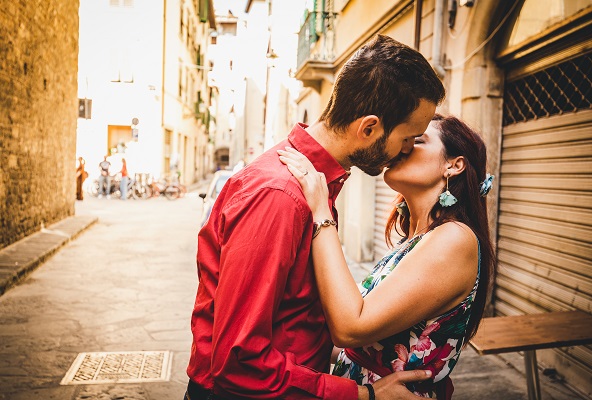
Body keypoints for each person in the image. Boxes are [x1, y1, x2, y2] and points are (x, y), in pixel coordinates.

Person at [185, 34, 445, 400]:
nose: (407, 151)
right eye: (408, 137)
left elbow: (292, 315)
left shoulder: (314, 184)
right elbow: (238, 359)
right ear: (368, 128)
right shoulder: (280, 196)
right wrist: (361, 395)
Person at [277, 114, 496, 399]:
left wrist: (321, 211)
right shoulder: (416, 240)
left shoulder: (454, 238)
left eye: (417, 140)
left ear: (453, 165)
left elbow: (350, 328)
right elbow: (363, 346)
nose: (403, 147)